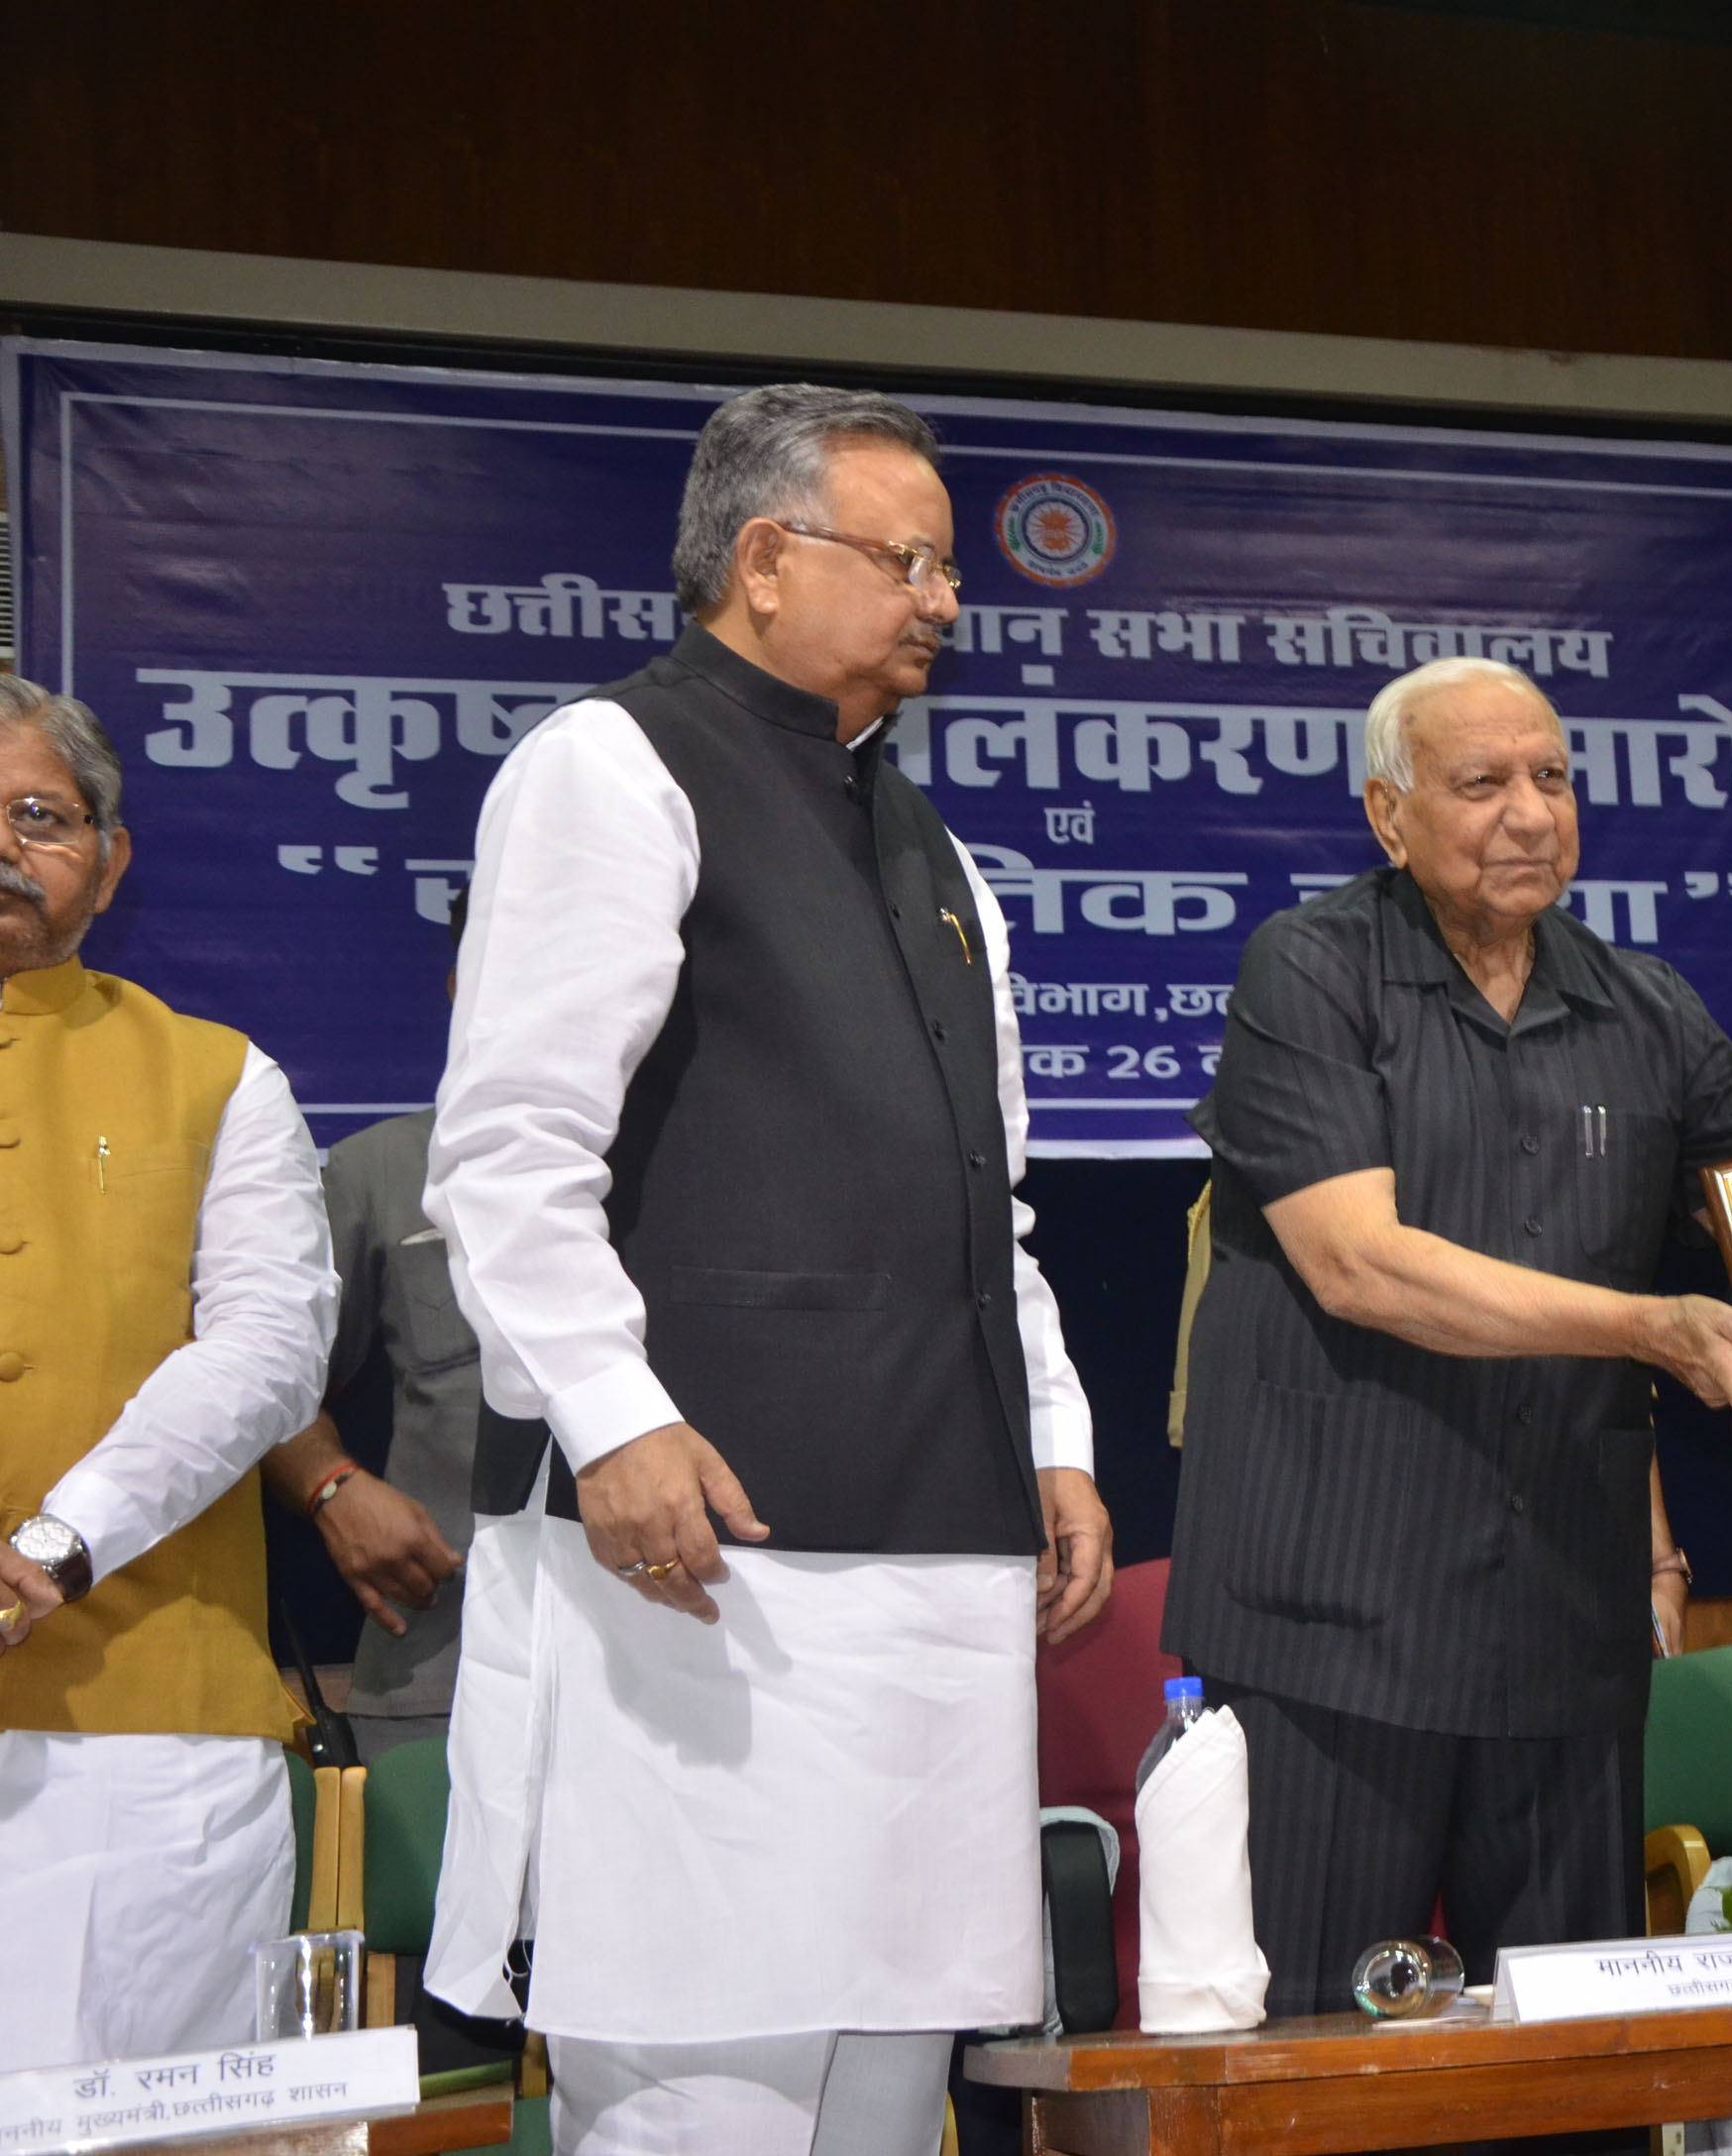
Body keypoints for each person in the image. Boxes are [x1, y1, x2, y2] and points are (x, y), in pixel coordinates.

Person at [422, 384, 1114, 2156]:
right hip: (700, 1561)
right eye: (909, 561)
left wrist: (1050, 1437)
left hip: (934, 1569)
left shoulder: (936, 849)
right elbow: (510, 1154)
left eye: (946, 569)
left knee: (887, 2078)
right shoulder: (611, 763)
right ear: (763, 559)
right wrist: (610, 1418)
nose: (946, 600)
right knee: (701, 2082)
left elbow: (988, 1204)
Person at [1169, 653, 1732, 2019]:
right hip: (1337, 1623)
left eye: (1552, 777)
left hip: (1564, 1624)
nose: (1529, 812)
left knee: (1578, 2055)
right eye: (1483, 782)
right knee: (1327, 2047)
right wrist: (1643, 1324)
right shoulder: (1311, 968)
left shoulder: (1647, 1005)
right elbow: (1359, 1265)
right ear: (1388, 816)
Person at [0, 677, 336, 2069]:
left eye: (40, 816)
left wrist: (58, 1541)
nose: (6, 846)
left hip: (137, 1738)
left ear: (109, 858)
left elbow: (264, 1352)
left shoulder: (219, 1077)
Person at [260, 894, 476, 1761]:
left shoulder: (725, 1173)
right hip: (444, 1665)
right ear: (463, 985)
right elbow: (258, 1377)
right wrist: (332, 1487)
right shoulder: (379, 1170)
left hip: (692, 1651)